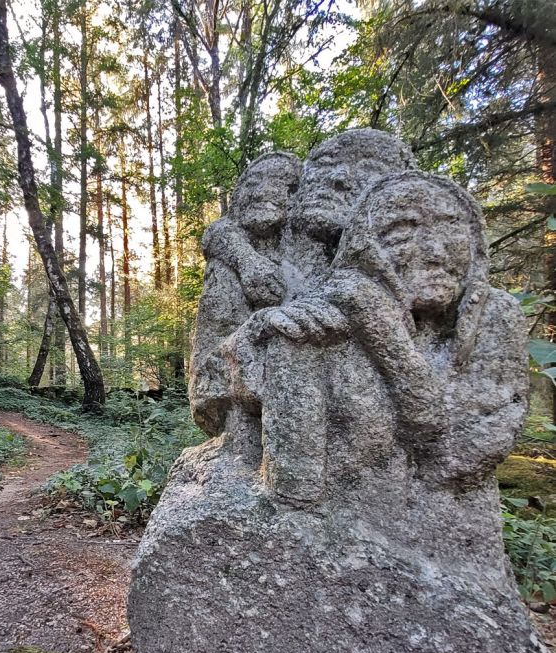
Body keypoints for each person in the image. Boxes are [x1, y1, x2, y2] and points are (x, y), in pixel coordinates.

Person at [239, 172, 527, 504]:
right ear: (368, 249)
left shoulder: (496, 316)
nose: (435, 251)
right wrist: (261, 329)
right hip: (326, 508)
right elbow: (222, 388)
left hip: (430, 518)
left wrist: (381, 329)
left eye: (451, 228)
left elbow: (451, 459)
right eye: (403, 232)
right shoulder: (334, 315)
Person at [189, 151, 301, 443]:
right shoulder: (232, 243)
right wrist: (247, 262)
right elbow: (215, 232)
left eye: (277, 183)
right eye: (253, 183)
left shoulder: (301, 242)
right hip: (224, 368)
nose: (262, 191)